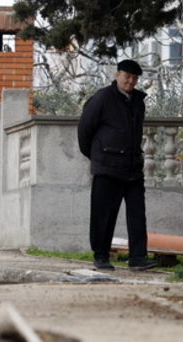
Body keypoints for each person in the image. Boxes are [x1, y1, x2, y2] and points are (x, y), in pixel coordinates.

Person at [77, 59, 157, 271]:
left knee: (137, 214)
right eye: (127, 76)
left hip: (132, 167)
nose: (130, 81)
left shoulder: (138, 101)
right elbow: (84, 130)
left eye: (134, 78)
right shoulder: (102, 98)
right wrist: (97, 156)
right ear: (117, 74)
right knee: (103, 214)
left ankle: (138, 257)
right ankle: (101, 256)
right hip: (107, 167)